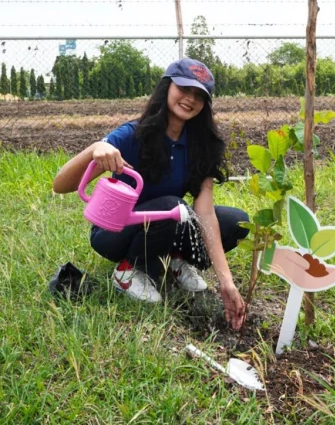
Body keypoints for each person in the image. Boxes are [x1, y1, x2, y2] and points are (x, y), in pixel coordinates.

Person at [52, 58, 249, 330]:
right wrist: (95, 148)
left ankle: (175, 261)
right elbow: (60, 184)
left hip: (167, 219)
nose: (190, 99)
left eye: (199, 95)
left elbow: (204, 213)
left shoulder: (200, 145)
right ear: (167, 87)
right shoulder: (133, 134)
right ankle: (129, 271)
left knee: (235, 220)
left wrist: (226, 281)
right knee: (172, 207)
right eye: (184, 89)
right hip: (115, 232)